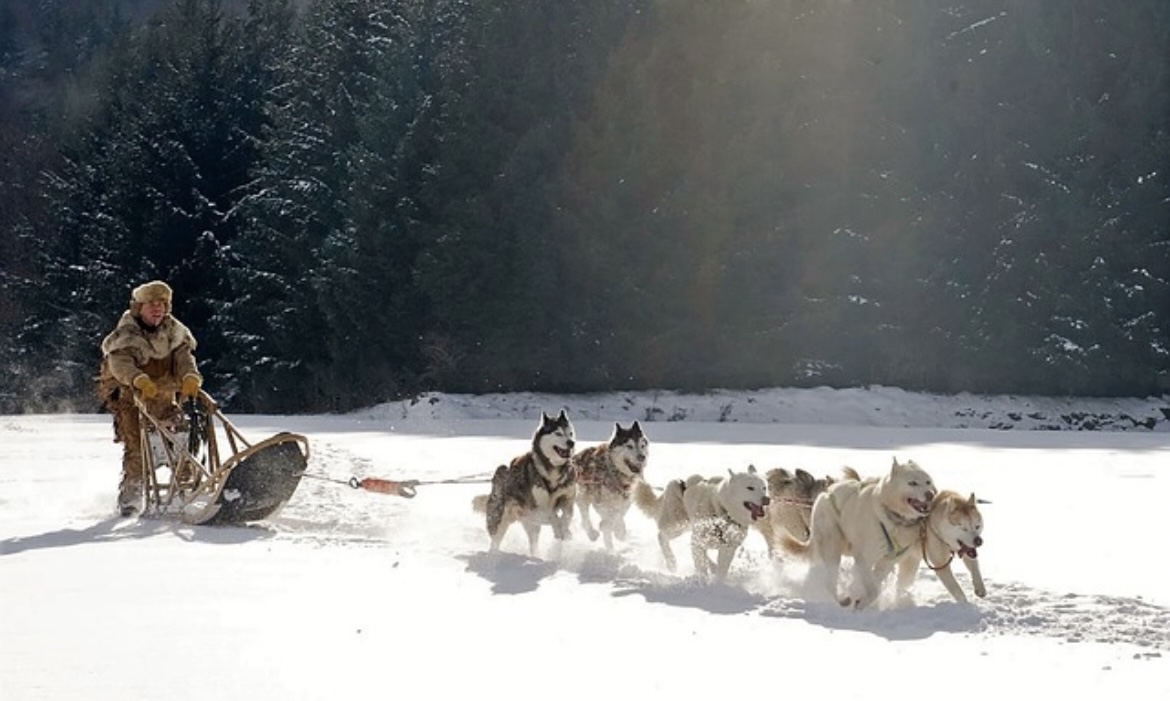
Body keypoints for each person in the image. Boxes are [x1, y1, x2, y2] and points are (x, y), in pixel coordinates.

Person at [97, 280, 203, 516]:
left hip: (164, 397)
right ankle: (131, 499)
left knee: (182, 437)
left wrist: (190, 377)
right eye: (151, 304)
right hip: (130, 399)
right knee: (137, 447)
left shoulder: (175, 333)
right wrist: (138, 379)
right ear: (139, 307)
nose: (158, 308)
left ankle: (186, 490)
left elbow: (185, 359)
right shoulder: (125, 334)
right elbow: (119, 363)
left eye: (162, 303)